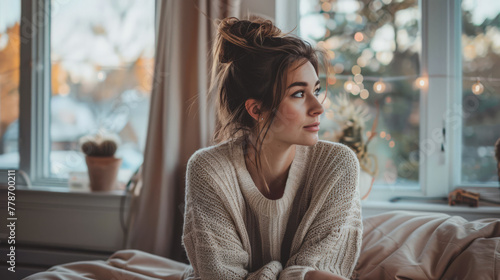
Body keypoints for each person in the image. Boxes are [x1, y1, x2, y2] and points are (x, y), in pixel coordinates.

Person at [181, 16, 362, 280]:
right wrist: (290, 275)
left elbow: (323, 272)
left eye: (316, 89)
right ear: (257, 109)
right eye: (299, 94)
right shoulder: (208, 170)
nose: (319, 107)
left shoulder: (338, 164)